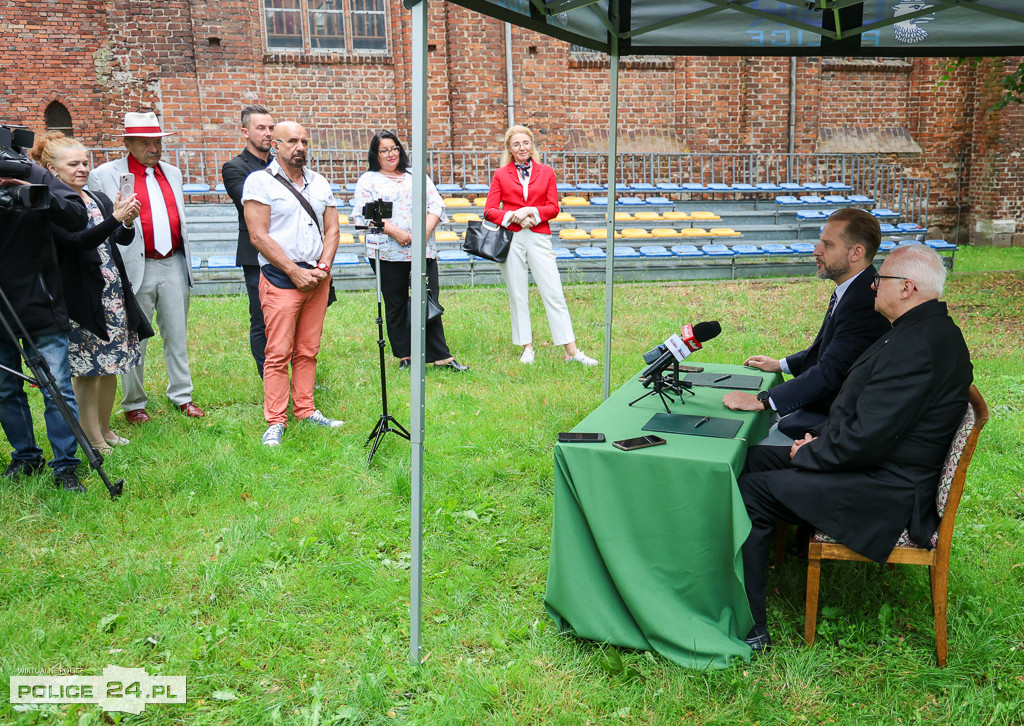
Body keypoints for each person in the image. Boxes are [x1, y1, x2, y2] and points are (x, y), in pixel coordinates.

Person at [736, 244, 973, 653]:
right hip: (874, 466)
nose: (874, 285)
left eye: (881, 279)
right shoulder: (923, 330)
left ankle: (751, 626)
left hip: (883, 491)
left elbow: (868, 438)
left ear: (908, 288)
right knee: (753, 457)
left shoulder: (918, 345)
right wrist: (817, 441)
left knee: (751, 492)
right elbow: (869, 418)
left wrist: (809, 452)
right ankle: (743, 571)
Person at [723, 208, 890, 444]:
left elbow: (830, 372)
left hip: (830, 426)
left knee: (744, 448)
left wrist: (763, 400)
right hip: (822, 412)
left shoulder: (864, 301)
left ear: (856, 253)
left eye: (828, 245)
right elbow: (831, 349)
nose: (816, 251)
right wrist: (781, 364)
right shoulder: (855, 289)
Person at [30, 132, 152, 455]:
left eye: (85, 162)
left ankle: (106, 428)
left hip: (111, 293)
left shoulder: (97, 197)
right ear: (52, 170)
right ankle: (92, 438)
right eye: (73, 164)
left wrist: (126, 224)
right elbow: (78, 242)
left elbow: (118, 242)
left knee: (111, 365)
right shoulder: (52, 205)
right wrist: (115, 219)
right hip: (79, 299)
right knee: (88, 371)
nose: (83, 168)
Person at [88, 111, 205, 423]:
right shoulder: (105, 174)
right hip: (133, 267)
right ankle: (134, 403)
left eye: (157, 141)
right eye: (145, 143)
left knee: (177, 334)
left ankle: (182, 395)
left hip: (173, 261)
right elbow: (99, 224)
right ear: (127, 143)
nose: (154, 148)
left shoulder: (173, 172)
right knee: (133, 338)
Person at [242, 121, 343, 446]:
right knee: (278, 353)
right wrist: (294, 271)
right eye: (292, 141)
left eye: (304, 141)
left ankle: (306, 409)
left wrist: (323, 268)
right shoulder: (259, 182)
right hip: (281, 278)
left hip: (317, 277)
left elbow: (332, 230)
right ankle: (275, 420)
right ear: (276, 145)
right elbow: (259, 235)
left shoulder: (320, 182)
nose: (300, 147)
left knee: (308, 350)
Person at [0, 127, 89, 492]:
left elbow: (76, 216)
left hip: (40, 301)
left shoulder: (34, 172)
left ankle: (66, 464)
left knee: (56, 388)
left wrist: (34, 195)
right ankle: (25, 457)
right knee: (5, 387)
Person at [352, 130, 468, 372]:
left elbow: (436, 205)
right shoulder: (369, 180)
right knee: (396, 303)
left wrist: (420, 237)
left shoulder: (416, 175)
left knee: (428, 299)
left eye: (394, 148)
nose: (390, 154)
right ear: (375, 154)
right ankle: (405, 355)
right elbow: (364, 215)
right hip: (387, 252)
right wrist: (396, 233)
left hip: (422, 251)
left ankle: (440, 356)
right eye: (383, 150)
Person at [484, 125, 597, 366]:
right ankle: (527, 347)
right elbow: (490, 210)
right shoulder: (501, 174)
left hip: (538, 234)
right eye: (516, 144)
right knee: (518, 293)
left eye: (525, 143)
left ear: (532, 145)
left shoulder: (546, 172)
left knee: (553, 291)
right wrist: (513, 216)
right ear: (510, 149)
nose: (521, 148)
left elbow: (553, 207)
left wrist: (530, 212)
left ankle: (571, 350)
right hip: (512, 237)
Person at [222, 104, 275, 378]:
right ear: (244, 132)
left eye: (271, 128)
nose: (268, 133)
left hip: (290, 249)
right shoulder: (234, 167)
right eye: (261, 128)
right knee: (262, 318)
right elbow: (252, 203)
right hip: (255, 253)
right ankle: (270, 379)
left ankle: (296, 375)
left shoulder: (284, 163)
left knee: (291, 318)